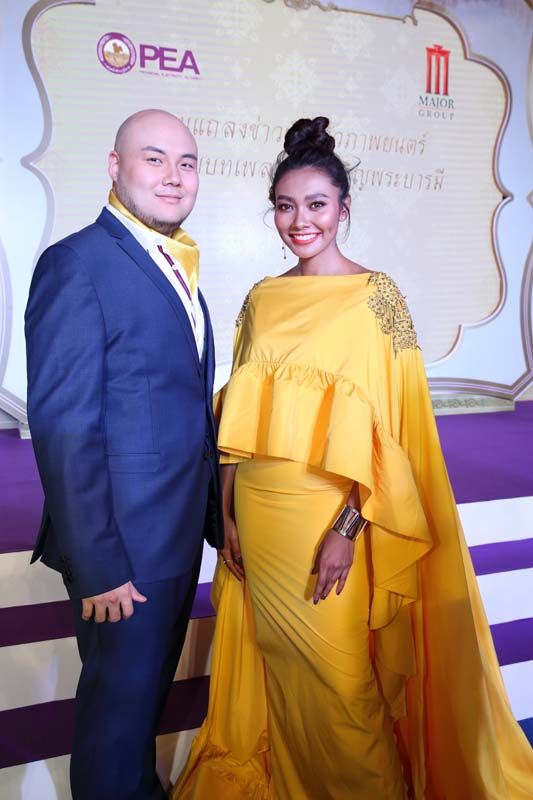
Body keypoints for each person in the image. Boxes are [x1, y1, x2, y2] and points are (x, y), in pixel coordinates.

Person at [173, 117, 533, 799]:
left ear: (342, 208)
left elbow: (394, 429)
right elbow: (236, 419)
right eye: (285, 206)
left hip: (330, 520)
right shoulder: (262, 298)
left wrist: (347, 529)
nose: (299, 221)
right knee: (282, 670)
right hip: (258, 517)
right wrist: (227, 516)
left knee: (344, 689)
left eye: (316, 204)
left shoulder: (378, 298)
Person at [25, 109, 223, 800]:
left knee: (139, 711)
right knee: (116, 719)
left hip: (170, 536)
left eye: (186, 163)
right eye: (154, 158)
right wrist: (100, 566)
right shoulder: (77, 264)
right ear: (115, 166)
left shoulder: (173, 261)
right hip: (122, 553)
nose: (174, 176)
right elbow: (65, 427)